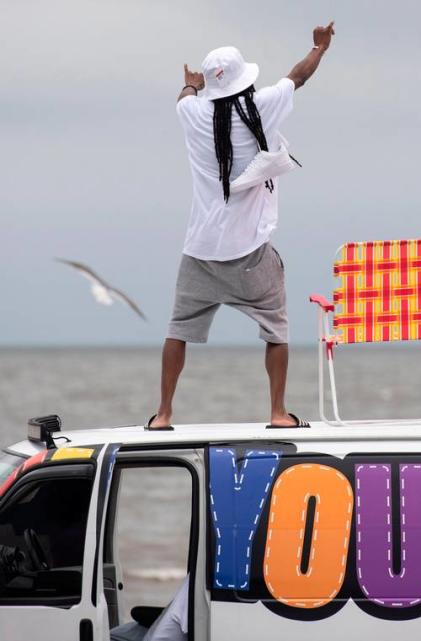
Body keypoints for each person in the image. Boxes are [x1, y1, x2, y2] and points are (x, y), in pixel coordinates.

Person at [147, 22, 335, 429]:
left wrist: (191, 85)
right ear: (243, 80)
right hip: (250, 251)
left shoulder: (192, 114)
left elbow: (183, 99)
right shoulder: (262, 106)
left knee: (177, 329)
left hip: (200, 250)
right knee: (276, 326)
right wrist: (319, 47)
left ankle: (163, 413)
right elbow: (296, 77)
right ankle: (277, 411)